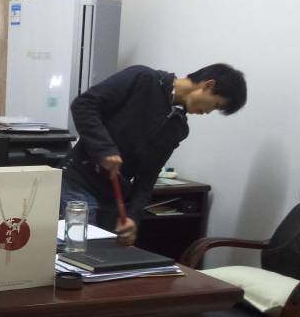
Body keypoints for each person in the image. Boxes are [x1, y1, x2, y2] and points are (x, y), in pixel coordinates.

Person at [61, 63, 247, 246]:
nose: (207, 112)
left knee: (104, 257)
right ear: (208, 85)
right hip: (80, 181)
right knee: (80, 252)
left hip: (111, 198)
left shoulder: (178, 127)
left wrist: (133, 217)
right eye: (215, 105)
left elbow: (147, 178)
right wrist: (104, 149)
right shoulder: (142, 78)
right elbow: (83, 105)